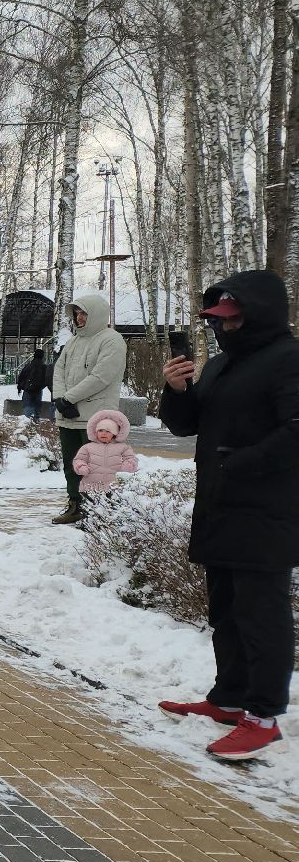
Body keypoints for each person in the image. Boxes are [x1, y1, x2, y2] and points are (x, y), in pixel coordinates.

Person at [157, 271, 299, 761]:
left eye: (233, 318)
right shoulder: (221, 364)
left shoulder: (288, 359)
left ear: (260, 313)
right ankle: (230, 698)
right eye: (217, 320)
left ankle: (263, 717)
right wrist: (177, 390)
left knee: (261, 615)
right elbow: (187, 425)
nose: (223, 327)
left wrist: (238, 464)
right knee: (227, 611)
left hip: (268, 512)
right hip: (220, 508)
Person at [49, 294, 127, 525]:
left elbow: (101, 377)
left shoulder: (112, 340)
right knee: (72, 463)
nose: (80, 318)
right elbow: (59, 370)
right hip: (68, 415)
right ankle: (76, 504)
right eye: (77, 313)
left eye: (84, 313)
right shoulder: (73, 341)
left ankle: (98, 511)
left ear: (97, 314)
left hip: (97, 418)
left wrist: (68, 398)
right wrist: (60, 398)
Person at [71, 410, 138, 506]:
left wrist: (128, 465)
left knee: (112, 508)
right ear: (95, 432)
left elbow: (130, 458)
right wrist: (81, 467)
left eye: (108, 431)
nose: (103, 433)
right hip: (91, 486)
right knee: (92, 508)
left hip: (114, 487)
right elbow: (79, 459)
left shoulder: (123, 447)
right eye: (100, 430)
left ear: (115, 433)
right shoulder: (87, 447)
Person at [16, 349, 49, 420]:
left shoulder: (28, 365)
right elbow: (47, 379)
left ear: (34, 355)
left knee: (27, 407)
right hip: (38, 390)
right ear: (42, 356)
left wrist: (19, 388)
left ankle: (28, 420)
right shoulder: (44, 367)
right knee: (36, 408)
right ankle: (35, 420)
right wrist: (41, 386)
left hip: (28, 389)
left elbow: (21, 377)